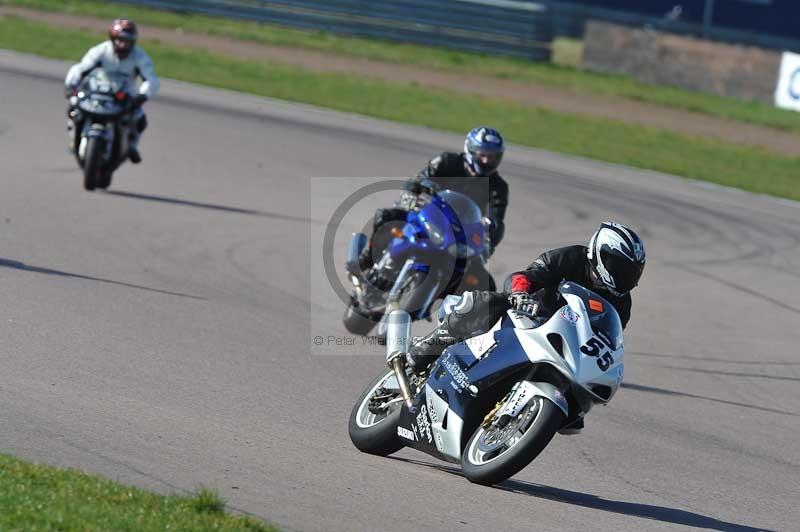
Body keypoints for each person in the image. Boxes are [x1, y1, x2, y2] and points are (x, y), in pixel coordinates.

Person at [406, 221, 646, 379]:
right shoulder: (571, 257)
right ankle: (430, 345)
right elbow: (526, 276)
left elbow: (608, 339)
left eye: (632, 273)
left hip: (564, 344)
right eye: (620, 268)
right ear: (600, 253)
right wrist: (520, 294)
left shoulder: (622, 303)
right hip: (529, 314)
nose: (625, 277)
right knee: (486, 303)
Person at [351, 127, 509, 276]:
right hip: (428, 215)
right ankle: (367, 260)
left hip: (461, 232)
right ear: (471, 151)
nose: (487, 160)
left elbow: (497, 220)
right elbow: (417, 180)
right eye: (483, 154)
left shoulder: (499, 187)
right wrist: (414, 193)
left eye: (493, 156)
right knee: (385, 216)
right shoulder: (446, 161)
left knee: (484, 281)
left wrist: (489, 244)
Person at [65, 19, 159, 164]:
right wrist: (71, 85)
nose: (123, 44)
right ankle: (73, 139)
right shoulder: (100, 50)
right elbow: (81, 68)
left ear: (133, 42)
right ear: (112, 38)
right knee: (74, 106)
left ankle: (132, 146)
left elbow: (151, 79)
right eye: (120, 40)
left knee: (139, 118)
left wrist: (142, 96)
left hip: (124, 94)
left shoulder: (140, 56)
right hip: (96, 90)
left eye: (127, 41)